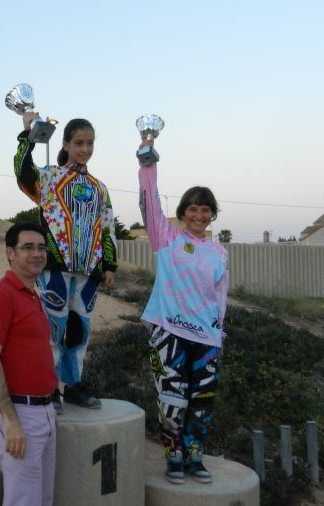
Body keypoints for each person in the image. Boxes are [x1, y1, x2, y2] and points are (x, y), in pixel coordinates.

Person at [137, 136, 228, 485]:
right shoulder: (167, 239)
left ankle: (195, 456)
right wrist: (147, 164)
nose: (199, 215)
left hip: (206, 338)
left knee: (202, 402)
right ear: (183, 212)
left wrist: (219, 334)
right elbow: (149, 204)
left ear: (212, 214)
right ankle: (173, 456)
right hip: (169, 333)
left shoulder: (219, 252)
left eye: (205, 210)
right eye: (193, 209)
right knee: (172, 401)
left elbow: (221, 297)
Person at [14, 114, 118, 413]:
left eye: (89, 143)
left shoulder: (100, 188)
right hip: (55, 267)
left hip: (89, 269)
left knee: (79, 329)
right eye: (79, 143)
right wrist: (27, 135)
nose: (85, 149)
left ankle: (73, 385)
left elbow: (107, 226)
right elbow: (22, 173)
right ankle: (49, 386)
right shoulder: (50, 177)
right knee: (53, 328)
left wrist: (109, 265)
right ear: (66, 144)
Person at [0, 221, 57, 506]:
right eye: (28, 248)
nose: (37, 254)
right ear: (10, 253)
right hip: (20, 413)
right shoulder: (0, 296)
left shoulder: (32, 295)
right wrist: (10, 419)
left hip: (44, 411)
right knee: (23, 500)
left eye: (41, 248)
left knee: (42, 498)